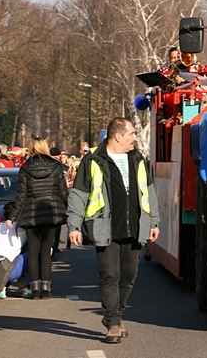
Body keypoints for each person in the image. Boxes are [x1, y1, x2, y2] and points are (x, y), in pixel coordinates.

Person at [67, 117, 160, 344]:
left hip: (135, 228)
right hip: (104, 227)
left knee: (129, 276)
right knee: (110, 275)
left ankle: (116, 313)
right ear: (118, 136)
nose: (134, 138)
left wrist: (154, 222)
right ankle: (113, 322)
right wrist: (74, 226)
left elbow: (149, 191)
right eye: (131, 134)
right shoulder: (93, 161)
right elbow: (78, 195)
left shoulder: (139, 159)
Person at [4, 135, 68, 299]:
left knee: (33, 252)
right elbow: (63, 192)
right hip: (51, 214)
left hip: (31, 214)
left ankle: (35, 289)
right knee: (46, 252)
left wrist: (12, 216)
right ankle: (46, 289)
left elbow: (21, 196)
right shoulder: (56, 167)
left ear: (32, 148)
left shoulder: (26, 167)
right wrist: (69, 211)